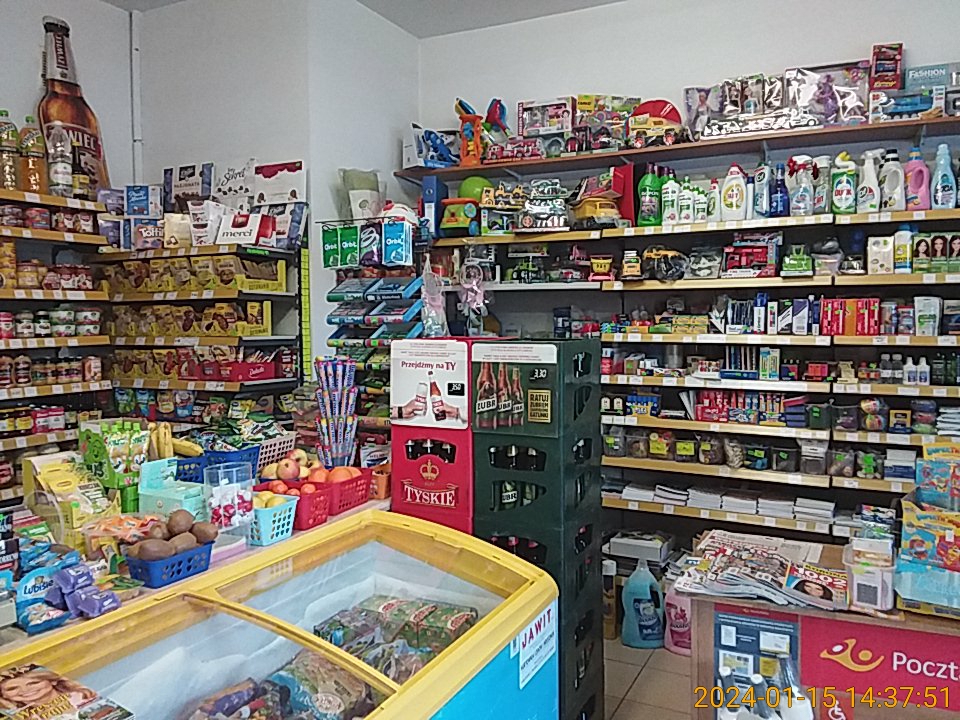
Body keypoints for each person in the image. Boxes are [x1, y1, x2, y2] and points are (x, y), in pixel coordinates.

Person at [0, 665, 97, 710]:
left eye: (33, 683)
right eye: (12, 688)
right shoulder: (19, 714)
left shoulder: (82, 695)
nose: (25, 690)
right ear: (4, 695)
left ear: (53, 681)